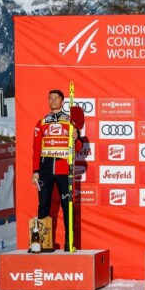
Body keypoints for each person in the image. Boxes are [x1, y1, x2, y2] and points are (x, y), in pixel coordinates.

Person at [31, 89, 81, 252]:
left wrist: (75, 138)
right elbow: (36, 147)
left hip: (64, 170)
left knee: (67, 206)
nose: (52, 101)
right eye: (50, 98)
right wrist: (35, 171)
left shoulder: (69, 122)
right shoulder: (42, 122)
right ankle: (41, 243)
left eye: (56, 98)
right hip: (45, 170)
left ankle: (69, 242)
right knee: (43, 205)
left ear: (62, 101)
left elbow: (77, 148)